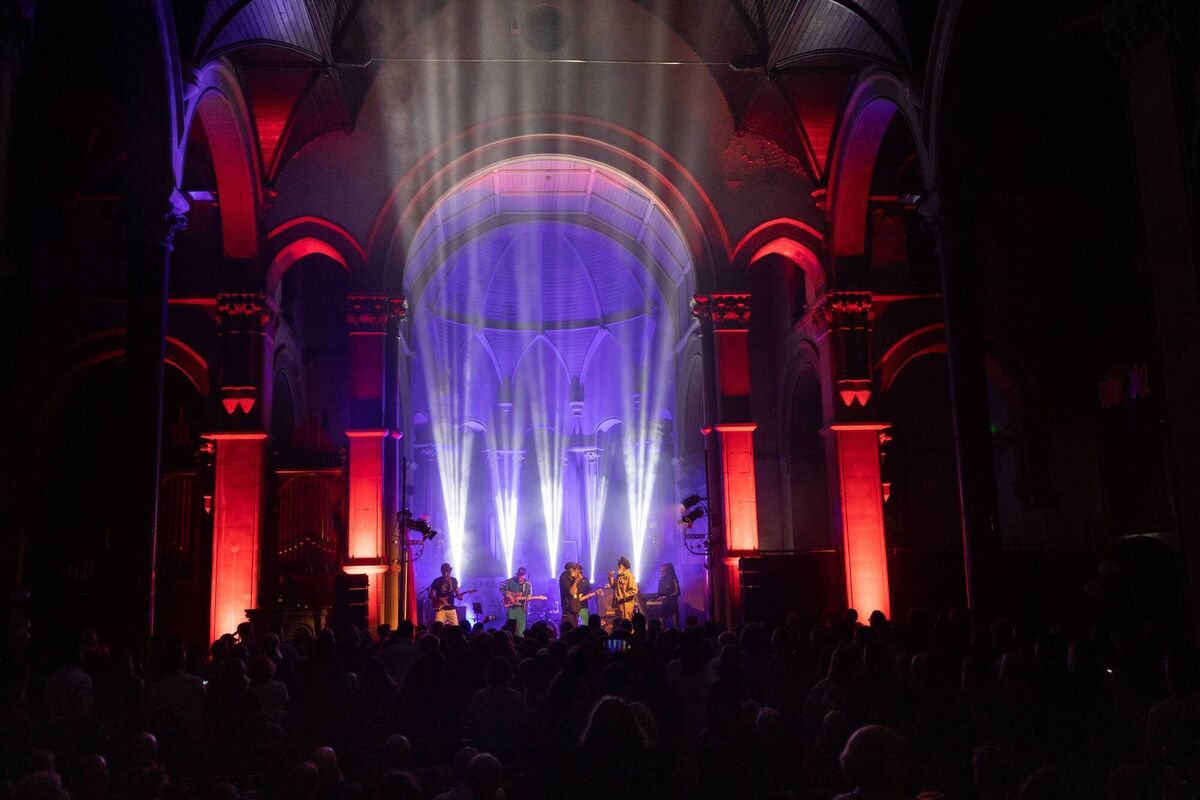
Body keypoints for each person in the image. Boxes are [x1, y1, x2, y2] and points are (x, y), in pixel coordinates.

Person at [500, 567, 533, 636]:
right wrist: (507, 594)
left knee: (521, 630)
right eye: (519, 575)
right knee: (510, 628)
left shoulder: (528, 584)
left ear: (525, 575)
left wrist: (529, 596)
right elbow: (501, 588)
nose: (520, 577)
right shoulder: (510, 581)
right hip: (511, 608)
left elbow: (529, 594)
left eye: (522, 575)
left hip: (522, 609)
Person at [608, 557, 639, 622]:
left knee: (626, 624)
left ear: (624, 567)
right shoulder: (619, 576)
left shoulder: (629, 576)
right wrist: (610, 578)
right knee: (620, 624)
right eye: (618, 565)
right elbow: (614, 586)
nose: (618, 567)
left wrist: (622, 597)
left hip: (626, 606)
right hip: (618, 605)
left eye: (620, 565)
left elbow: (634, 590)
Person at [655, 563, 681, 629]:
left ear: (668, 571)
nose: (661, 573)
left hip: (672, 604)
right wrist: (654, 599)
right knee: (661, 624)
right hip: (664, 605)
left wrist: (669, 596)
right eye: (661, 571)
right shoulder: (661, 580)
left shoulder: (673, 579)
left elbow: (678, 591)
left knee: (676, 625)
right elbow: (658, 593)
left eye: (663, 571)